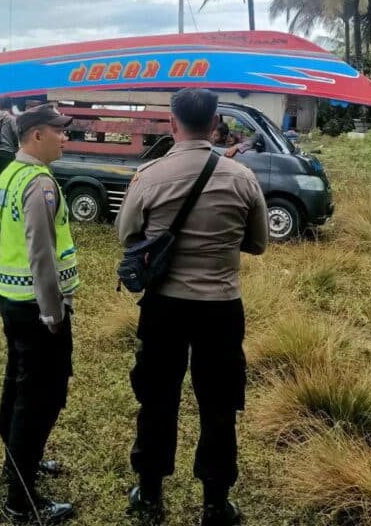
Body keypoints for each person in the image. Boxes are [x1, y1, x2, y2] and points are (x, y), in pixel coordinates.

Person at [115, 89, 268, 526]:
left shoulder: (149, 175)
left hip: (163, 306)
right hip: (220, 307)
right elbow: (257, 244)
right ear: (216, 122)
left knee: (157, 398)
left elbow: (127, 237)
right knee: (219, 403)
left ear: (172, 122)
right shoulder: (241, 178)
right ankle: (215, 503)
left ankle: (149, 494)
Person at [0, 103, 79, 524]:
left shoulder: (10, 172)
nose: (65, 137)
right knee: (41, 397)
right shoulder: (39, 182)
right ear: (36, 136)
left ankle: (17, 463)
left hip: (11, 299)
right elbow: (40, 251)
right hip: (36, 307)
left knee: (19, 384)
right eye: (58, 130)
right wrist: (53, 311)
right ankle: (21, 500)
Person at [0, 96, 19, 177]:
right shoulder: (11, 119)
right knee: (8, 178)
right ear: (11, 105)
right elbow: (17, 134)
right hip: (8, 152)